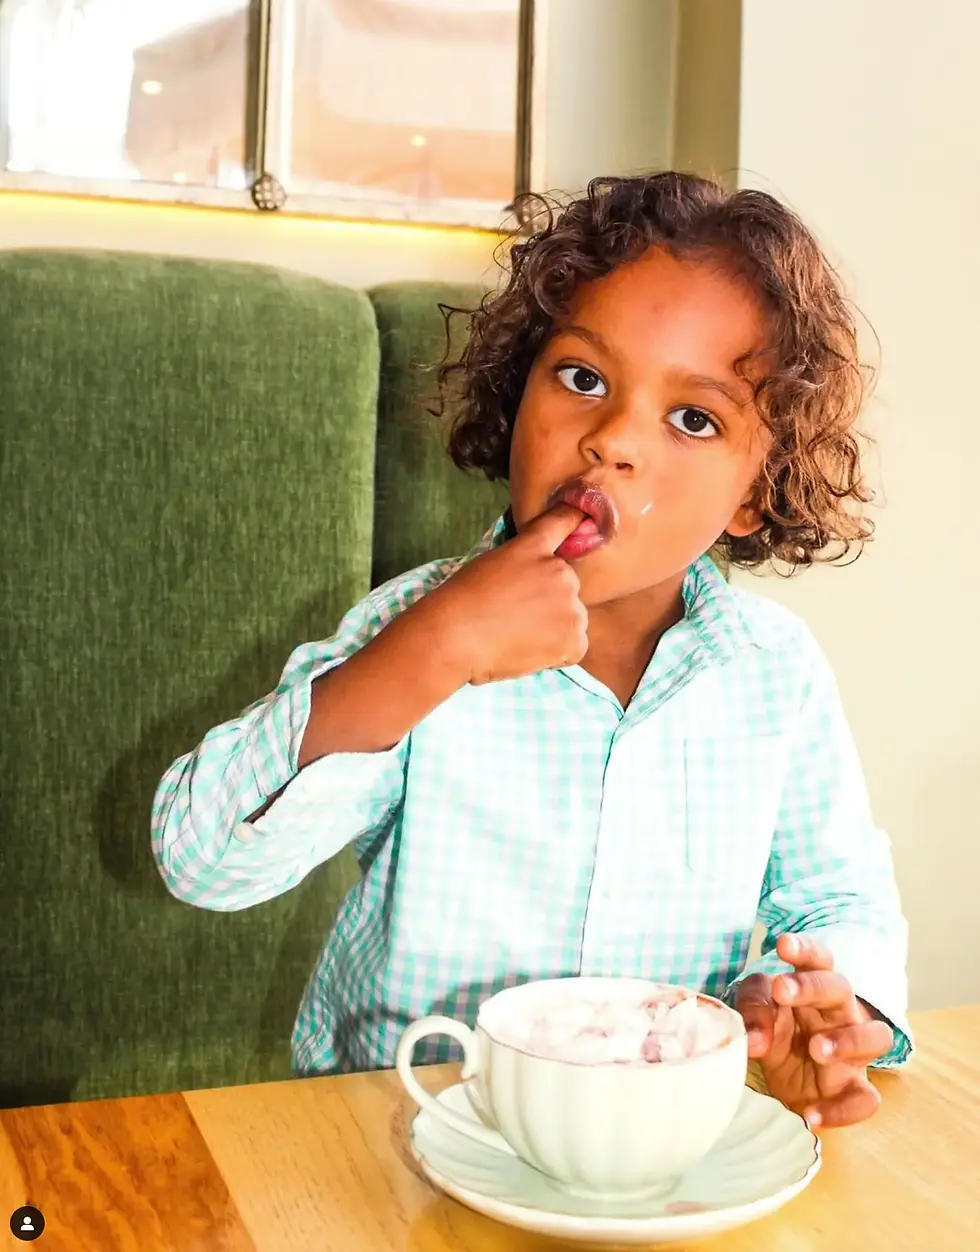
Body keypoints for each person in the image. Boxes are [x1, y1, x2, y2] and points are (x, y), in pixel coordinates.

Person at [152, 172, 910, 1130]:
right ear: (519, 398)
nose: (613, 442)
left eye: (693, 418)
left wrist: (803, 1010)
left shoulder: (774, 674)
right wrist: (432, 651)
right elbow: (203, 860)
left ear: (758, 493)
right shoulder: (418, 628)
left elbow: (840, 900)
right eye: (584, 378)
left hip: (648, 1153)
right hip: (399, 1141)